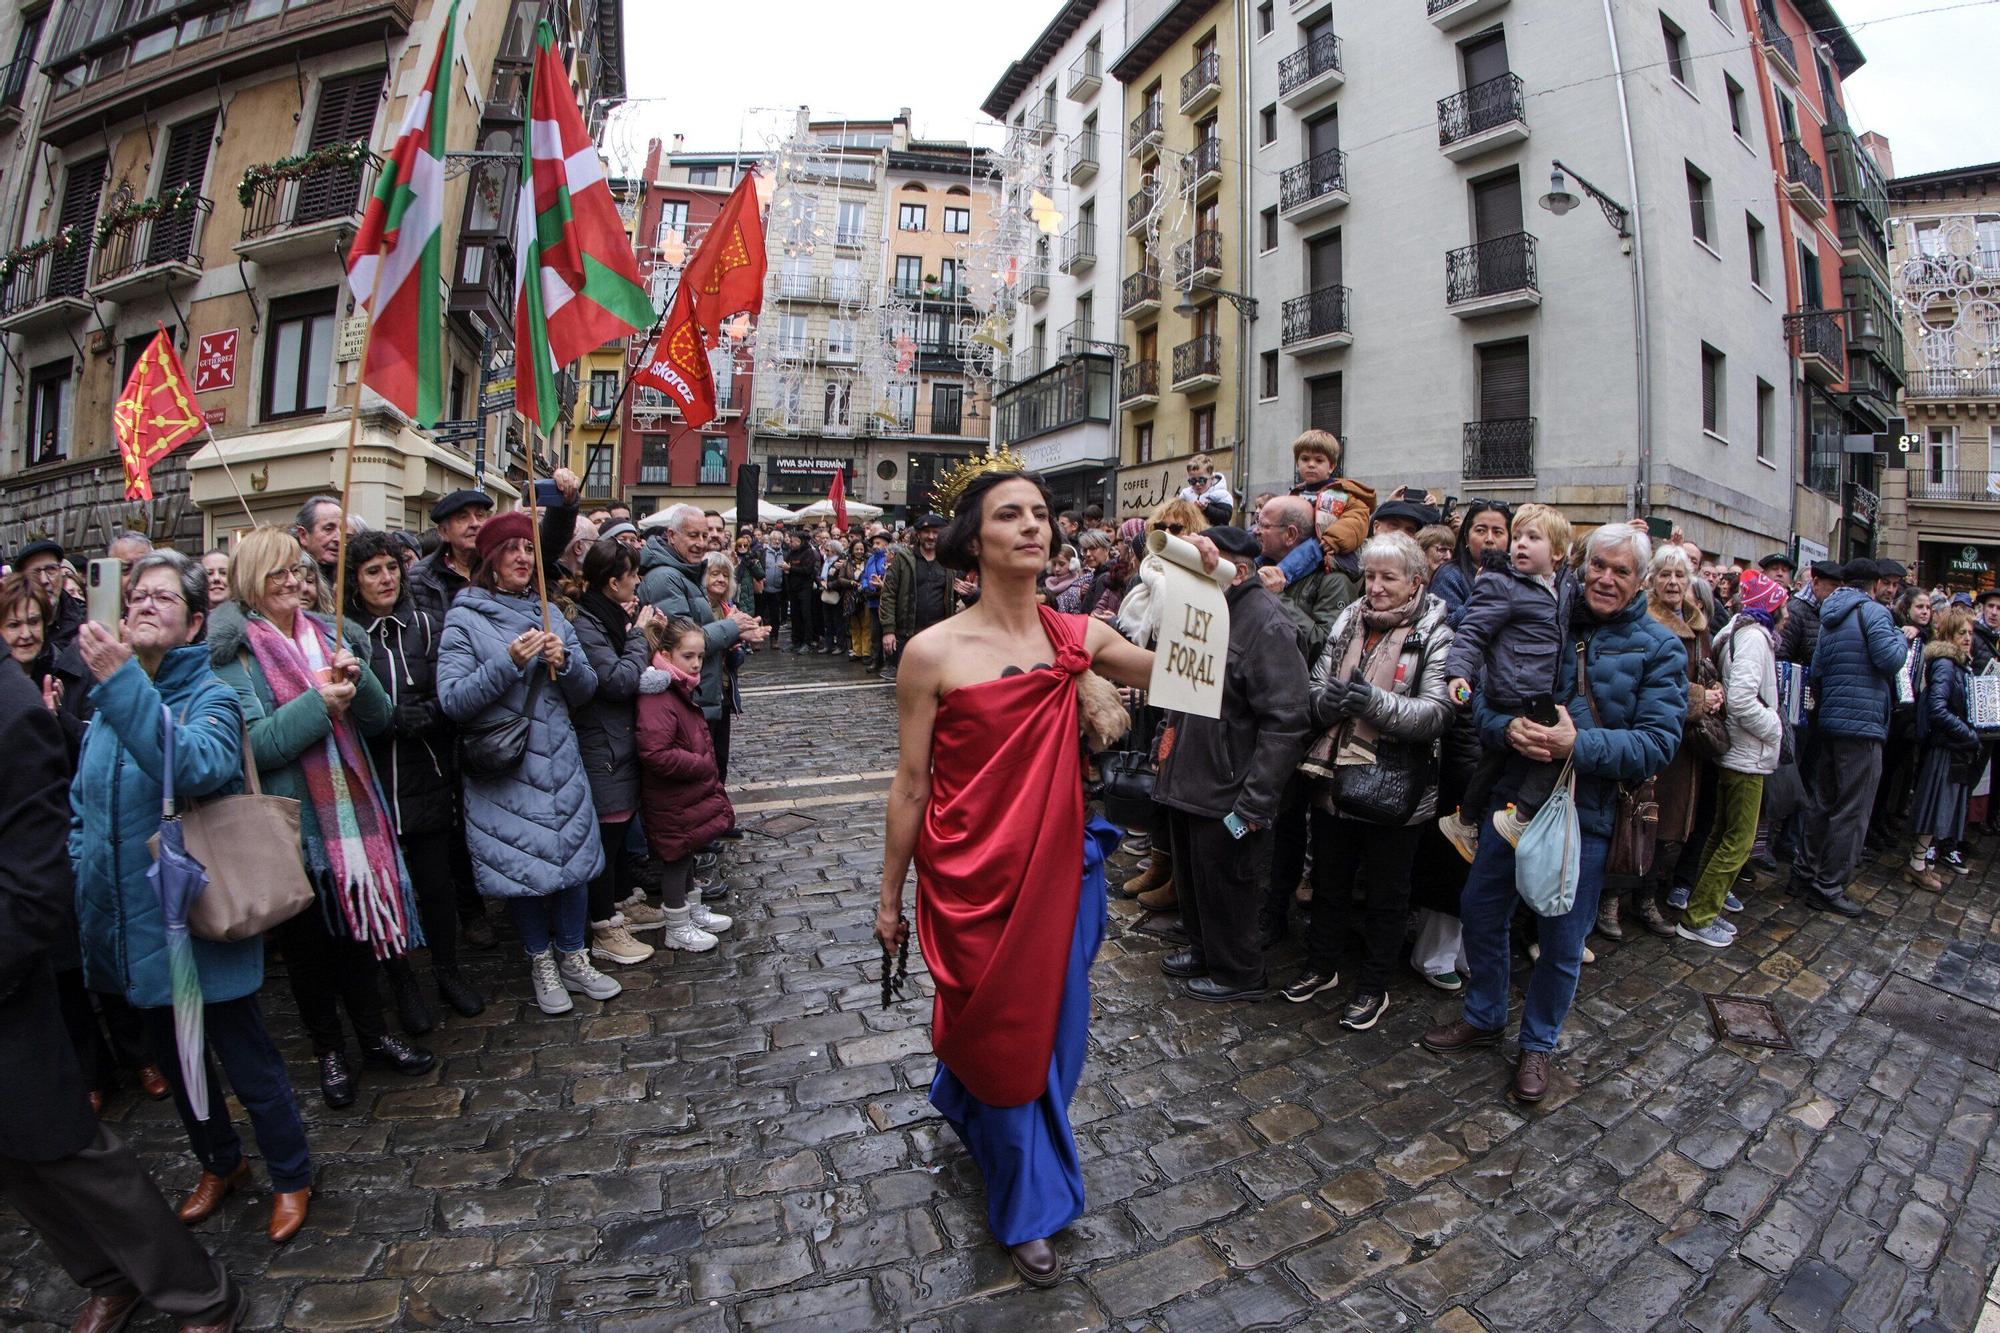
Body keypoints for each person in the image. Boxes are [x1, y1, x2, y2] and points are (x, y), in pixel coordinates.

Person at [874, 466, 1195, 1286]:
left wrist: (1211, 586)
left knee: (1051, 1038)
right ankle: (1026, 1205)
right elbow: (911, 784)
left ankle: (977, 1113)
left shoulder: (1082, 636)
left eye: (1041, 514)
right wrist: (889, 895)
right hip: (968, 878)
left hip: (1061, 872)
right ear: (973, 540)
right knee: (1007, 1038)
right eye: (1009, 514)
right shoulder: (932, 652)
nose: (1032, 526)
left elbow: (1189, 674)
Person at [2, 654, 244, 1330]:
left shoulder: (10, 709)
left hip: (10, 981)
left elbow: (33, 882)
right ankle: (107, 1277)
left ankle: (198, 1291)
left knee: (68, 1148)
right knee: (14, 1161)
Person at [1425, 524, 1685, 1104]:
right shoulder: (1546, 613)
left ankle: (1538, 1043)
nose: (1606, 579)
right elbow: (1486, 697)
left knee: (1562, 941)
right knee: (1481, 910)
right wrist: (1505, 728)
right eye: (1599, 566)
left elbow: (1658, 744)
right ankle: (1485, 1014)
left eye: (1621, 571)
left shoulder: (1660, 646)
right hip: (1513, 798)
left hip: (1585, 815)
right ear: (1582, 565)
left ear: (1641, 579)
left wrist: (1578, 746)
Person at [211, 529, 435, 1109]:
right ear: (251, 581)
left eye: (299, 571)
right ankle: (329, 1051)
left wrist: (356, 678)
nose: (295, 582)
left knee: (356, 937)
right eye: (279, 573)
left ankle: (374, 1036)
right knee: (308, 950)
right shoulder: (238, 656)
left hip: (353, 823)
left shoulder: (330, 634)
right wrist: (319, 704)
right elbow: (257, 746)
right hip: (294, 830)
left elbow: (379, 719)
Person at [439, 511, 620, 1014]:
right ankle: (540, 960)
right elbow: (453, 699)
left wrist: (567, 663)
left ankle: (574, 956)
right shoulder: (465, 617)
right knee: (521, 866)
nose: (522, 558)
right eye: (511, 549)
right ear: (490, 560)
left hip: (560, 759)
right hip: (507, 767)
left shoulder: (552, 613)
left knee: (575, 861)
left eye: (528, 549)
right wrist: (509, 662)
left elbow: (587, 690)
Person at [1284, 531, 1456, 1026]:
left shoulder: (1436, 630)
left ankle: (1374, 986)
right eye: (1371, 576)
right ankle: (1322, 965)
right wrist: (1328, 702)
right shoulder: (1350, 618)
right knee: (1330, 881)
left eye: (1388, 578)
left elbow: (1438, 713)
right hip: (1333, 778)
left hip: (1396, 785)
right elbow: (1316, 684)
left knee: (1386, 893)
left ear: (1415, 582)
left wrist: (1373, 703)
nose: (1376, 587)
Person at [1153, 526, 1309, 1003]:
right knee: (1196, 878)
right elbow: (1182, 686)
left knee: (1228, 883)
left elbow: (1286, 722)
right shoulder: (1206, 607)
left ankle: (1239, 972)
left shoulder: (1267, 624)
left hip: (1228, 784)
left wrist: (1256, 801)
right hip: (1191, 774)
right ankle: (1206, 952)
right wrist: (1165, 745)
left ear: (1237, 572)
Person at [344, 531, 484, 1026]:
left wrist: (426, 714)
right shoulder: (344, 637)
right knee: (386, 889)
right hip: (372, 780)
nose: (386, 579)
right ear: (354, 581)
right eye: (372, 572)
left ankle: (447, 971)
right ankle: (402, 981)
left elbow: (452, 687)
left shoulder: (426, 624)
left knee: (435, 884)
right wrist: (384, 719)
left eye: (391, 568)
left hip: (428, 774)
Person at [1436, 503, 1574, 860]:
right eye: (1519, 537)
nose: (1521, 544)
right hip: (1518, 689)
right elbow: (1472, 632)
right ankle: (1521, 817)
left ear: (1558, 553)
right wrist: (1458, 673)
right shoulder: (1503, 584)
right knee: (1553, 750)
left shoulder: (1562, 585)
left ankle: (1464, 820)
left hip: (1531, 685)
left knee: (1493, 760)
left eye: (1533, 538)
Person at [1788, 557, 1910, 917]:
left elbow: (1818, 670)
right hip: (1862, 726)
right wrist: (1901, 638)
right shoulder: (1875, 614)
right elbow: (1890, 660)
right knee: (1852, 810)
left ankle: (1803, 873)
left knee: (1822, 802)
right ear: (1875, 585)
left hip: (1831, 722)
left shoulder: (1830, 614)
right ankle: (1828, 886)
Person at [563, 537, 662, 968]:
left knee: (620, 833)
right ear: (611, 582)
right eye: (632, 575)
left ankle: (623, 902)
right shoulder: (587, 624)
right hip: (601, 742)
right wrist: (638, 635)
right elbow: (618, 680)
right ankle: (605, 926)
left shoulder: (605, 614)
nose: (637, 581)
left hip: (616, 739)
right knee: (606, 836)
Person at [1678, 571, 1788, 946]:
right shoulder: (1754, 637)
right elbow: (1741, 700)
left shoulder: (1738, 632)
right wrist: (1774, 726)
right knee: (1739, 841)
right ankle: (1698, 917)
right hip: (1747, 754)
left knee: (1722, 834)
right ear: (1772, 607)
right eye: (1782, 604)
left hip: (1739, 750)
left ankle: (1705, 905)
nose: (1787, 612)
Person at [638, 505, 766, 794]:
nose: (700, 543)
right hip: (689, 693)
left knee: (712, 771)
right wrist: (732, 627)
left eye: (704, 536)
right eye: (693, 535)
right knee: (697, 778)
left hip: (704, 691)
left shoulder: (684, 572)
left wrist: (738, 634)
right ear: (672, 535)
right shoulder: (666, 577)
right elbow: (683, 642)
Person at [1633, 545, 1722, 939]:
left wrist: (1715, 690)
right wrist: (1700, 698)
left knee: (1672, 823)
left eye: (1680, 575)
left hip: (1688, 743)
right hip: (1657, 735)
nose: (1673, 582)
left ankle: (1648, 894)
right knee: (1644, 818)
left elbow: (1705, 669)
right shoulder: (1646, 620)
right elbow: (1649, 680)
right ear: (1652, 579)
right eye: (1665, 574)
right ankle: (1622, 899)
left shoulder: (1697, 623)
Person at [635, 616, 738, 952]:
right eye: (688, 656)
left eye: (700, 656)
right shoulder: (659, 695)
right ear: (667, 655)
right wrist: (700, 764)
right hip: (671, 798)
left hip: (682, 796)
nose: (696, 664)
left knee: (687, 853)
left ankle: (692, 910)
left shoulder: (678, 688)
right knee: (676, 859)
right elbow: (655, 752)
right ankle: (677, 925)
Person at [1904, 606, 1982, 891]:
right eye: (1961, 633)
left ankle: (1920, 863)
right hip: (1943, 747)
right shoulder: (1946, 664)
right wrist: (1968, 734)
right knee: (1933, 808)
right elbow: (1937, 709)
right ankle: (1916, 865)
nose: (1967, 638)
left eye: (1970, 633)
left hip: (1952, 746)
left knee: (1938, 809)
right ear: (1949, 634)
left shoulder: (1958, 664)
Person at [1276, 430, 1375, 589]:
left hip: (1324, 547)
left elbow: (1357, 519)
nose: (1311, 464)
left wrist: (1333, 538)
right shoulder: (1293, 494)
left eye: (1319, 460)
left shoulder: (1344, 494)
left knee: (1313, 547)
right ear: (1297, 463)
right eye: (1305, 459)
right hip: (1291, 545)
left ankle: (1280, 574)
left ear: (1331, 466)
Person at [878, 513, 954, 679]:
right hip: (908, 633)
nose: (931, 536)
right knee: (908, 680)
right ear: (918, 534)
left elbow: (956, 595)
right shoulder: (903, 558)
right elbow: (888, 595)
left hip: (939, 634)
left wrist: (970, 593)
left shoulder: (948, 561)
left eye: (935, 532)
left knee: (936, 679)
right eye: (926, 532)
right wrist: (888, 630)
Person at [406, 489, 493, 625]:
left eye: (480, 515)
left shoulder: (501, 568)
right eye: (463, 517)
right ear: (444, 532)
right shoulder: (419, 578)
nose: (475, 523)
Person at [703, 552, 750, 780]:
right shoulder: (700, 607)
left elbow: (735, 661)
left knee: (721, 757)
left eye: (725, 575)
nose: (721, 579)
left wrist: (737, 646)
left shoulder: (727, 607)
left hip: (722, 689)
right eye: (714, 574)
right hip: (704, 690)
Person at [1430, 502, 1510, 623]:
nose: (1489, 539)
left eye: (1497, 532)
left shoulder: (1518, 573)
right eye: (1481, 531)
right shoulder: (1449, 576)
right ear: (1467, 538)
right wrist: (1481, 592)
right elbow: (1444, 626)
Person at [12, 538, 87, 652]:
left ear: (61, 573)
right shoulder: (8, 624)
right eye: (35, 572)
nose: (44, 580)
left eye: (51, 569)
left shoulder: (85, 620)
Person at [293, 495, 344, 601]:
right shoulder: (289, 577)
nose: (339, 539)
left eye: (342, 530)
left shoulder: (348, 577)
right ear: (303, 535)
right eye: (328, 529)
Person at [860, 531, 891, 668]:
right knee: (875, 632)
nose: (874, 546)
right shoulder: (871, 559)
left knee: (887, 631)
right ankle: (876, 659)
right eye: (873, 543)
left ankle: (889, 661)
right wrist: (866, 587)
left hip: (885, 601)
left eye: (878, 543)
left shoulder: (888, 558)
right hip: (872, 601)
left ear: (886, 544)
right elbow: (865, 576)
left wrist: (880, 587)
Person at [1177, 452, 1234, 525]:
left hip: (1214, 530)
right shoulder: (1186, 494)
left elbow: (1226, 516)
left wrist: (1207, 509)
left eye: (1202, 480)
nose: (1197, 484)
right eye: (1193, 481)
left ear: (1211, 478)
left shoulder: (1221, 494)